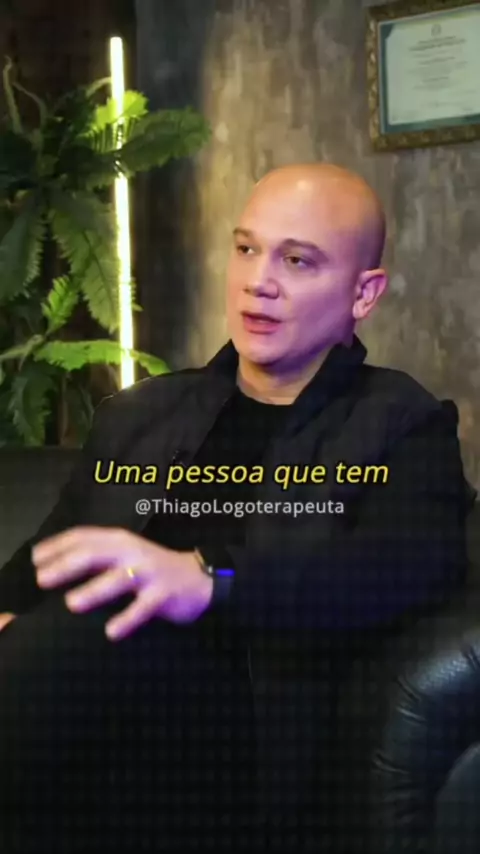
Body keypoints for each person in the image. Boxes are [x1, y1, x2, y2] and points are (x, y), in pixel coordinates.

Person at [0, 163, 470, 854]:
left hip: (237, 734)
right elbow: (51, 555)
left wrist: (209, 578)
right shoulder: (143, 413)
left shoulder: (400, 423)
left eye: (297, 260)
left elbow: (406, 567)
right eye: (247, 248)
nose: (259, 281)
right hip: (69, 703)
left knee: (79, 642)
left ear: (363, 293)